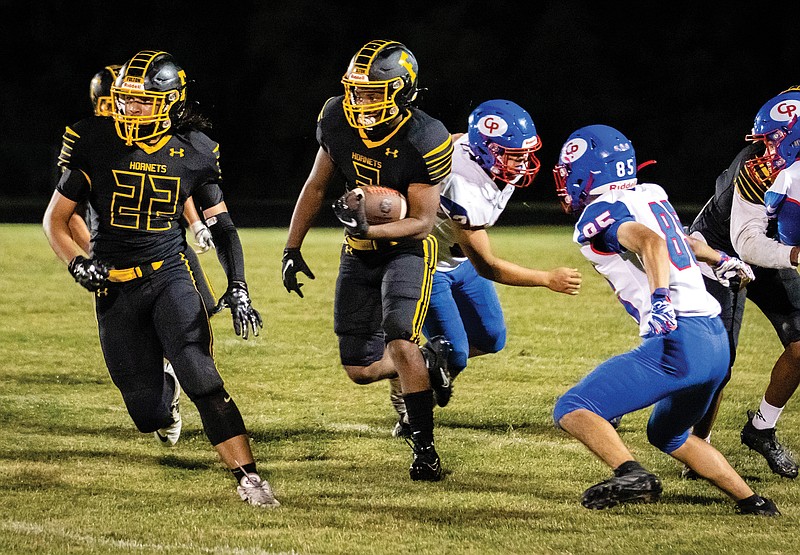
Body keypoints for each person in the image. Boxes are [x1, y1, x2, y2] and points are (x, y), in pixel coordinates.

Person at [42, 49, 278, 508]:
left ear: (170, 101)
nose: (130, 109)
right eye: (126, 100)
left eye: (142, 101)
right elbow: (56, 218)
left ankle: (249, 479)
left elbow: (224, 228)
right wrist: (77, 262)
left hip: (169, 275)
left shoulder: (196, 150)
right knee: (146, 412)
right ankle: (163, 395)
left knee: (201, 373)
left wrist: (240, 285)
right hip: (115, 287)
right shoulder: (95, 139)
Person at [551, 124, 776, 515]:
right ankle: (753, 502)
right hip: (714, 341)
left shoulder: (601, 213)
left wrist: (659, 300)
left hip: (680, 338)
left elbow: (651, 242)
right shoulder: (649, 194)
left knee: (574, 407)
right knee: (668, 434)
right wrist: (720, 260)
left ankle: (630, 472)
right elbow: (682, 240)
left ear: (589, 171)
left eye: (570, 171)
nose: (566, 180)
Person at [281, 39, 454, 481]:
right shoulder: (336, 116)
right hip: (359, 251)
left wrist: (368, 229)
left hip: (407, 250)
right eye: (356, 91)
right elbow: (317, 185)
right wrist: (292, 247)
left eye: (374, 92)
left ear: (402, 91)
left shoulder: (426, 137)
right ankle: (430, 358)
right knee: (359, 369)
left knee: (399, 336)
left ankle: (425, 450)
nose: (361, 101)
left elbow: (421, 222)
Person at [388, 99, 582, 438]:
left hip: (456, 260)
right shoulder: (463, 188)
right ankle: (410, 396)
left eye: (523, 152)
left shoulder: (471, 147)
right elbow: (489, 266)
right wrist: (547, 279)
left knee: (492, 338)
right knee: (455, 355)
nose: (522, 162)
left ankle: (417, 363)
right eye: (512, 154)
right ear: (485, 150)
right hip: (428, 265)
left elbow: (452, 138)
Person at [687, 90, 800, 480]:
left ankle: (761, 428)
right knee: (717, 364)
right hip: (720, 255)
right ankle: (697, 447)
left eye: (775, 138)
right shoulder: (754, 170)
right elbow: (747, 242)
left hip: (775, 251)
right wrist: (796, 255)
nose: (766, 148)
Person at [68, 64, 218, 314]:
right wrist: (95, 258)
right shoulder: (93, 144)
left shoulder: (148, 137)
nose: (122, 109)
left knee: (200, 306)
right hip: (115, 243)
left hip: (159, 246)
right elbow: (69, 213)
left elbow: (177, 188)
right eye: (111, 103)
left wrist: (196, 224)